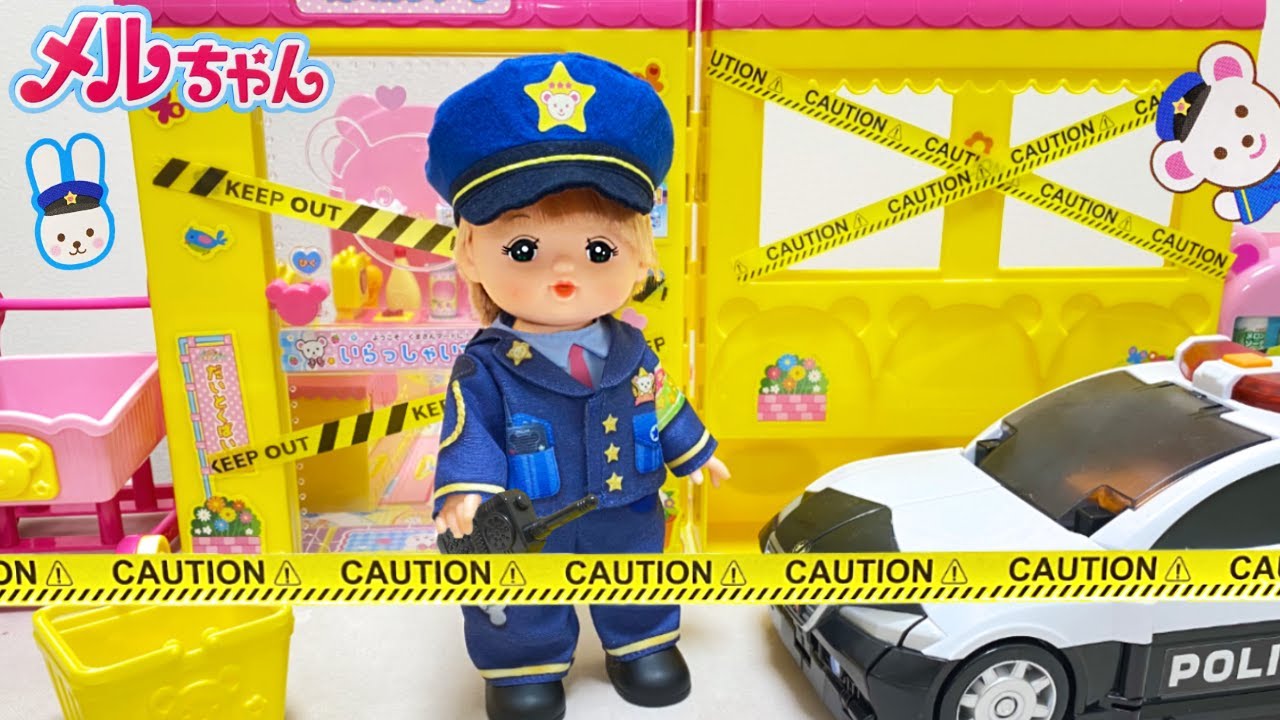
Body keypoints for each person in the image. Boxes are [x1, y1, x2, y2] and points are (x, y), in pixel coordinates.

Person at [424, 53, 729, 720]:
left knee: (637, 576)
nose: (564, 274)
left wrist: (694, 450)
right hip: (530, 515)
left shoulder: (631, 349)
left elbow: (660, 399)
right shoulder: (487, 366)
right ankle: (523, 670)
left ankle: (642, 645)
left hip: (628, 498)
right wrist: (467, 491)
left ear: (639, 255)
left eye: (598, 251)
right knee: (522, 599)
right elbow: (469, 432)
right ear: (471, 253)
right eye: (523, 250)